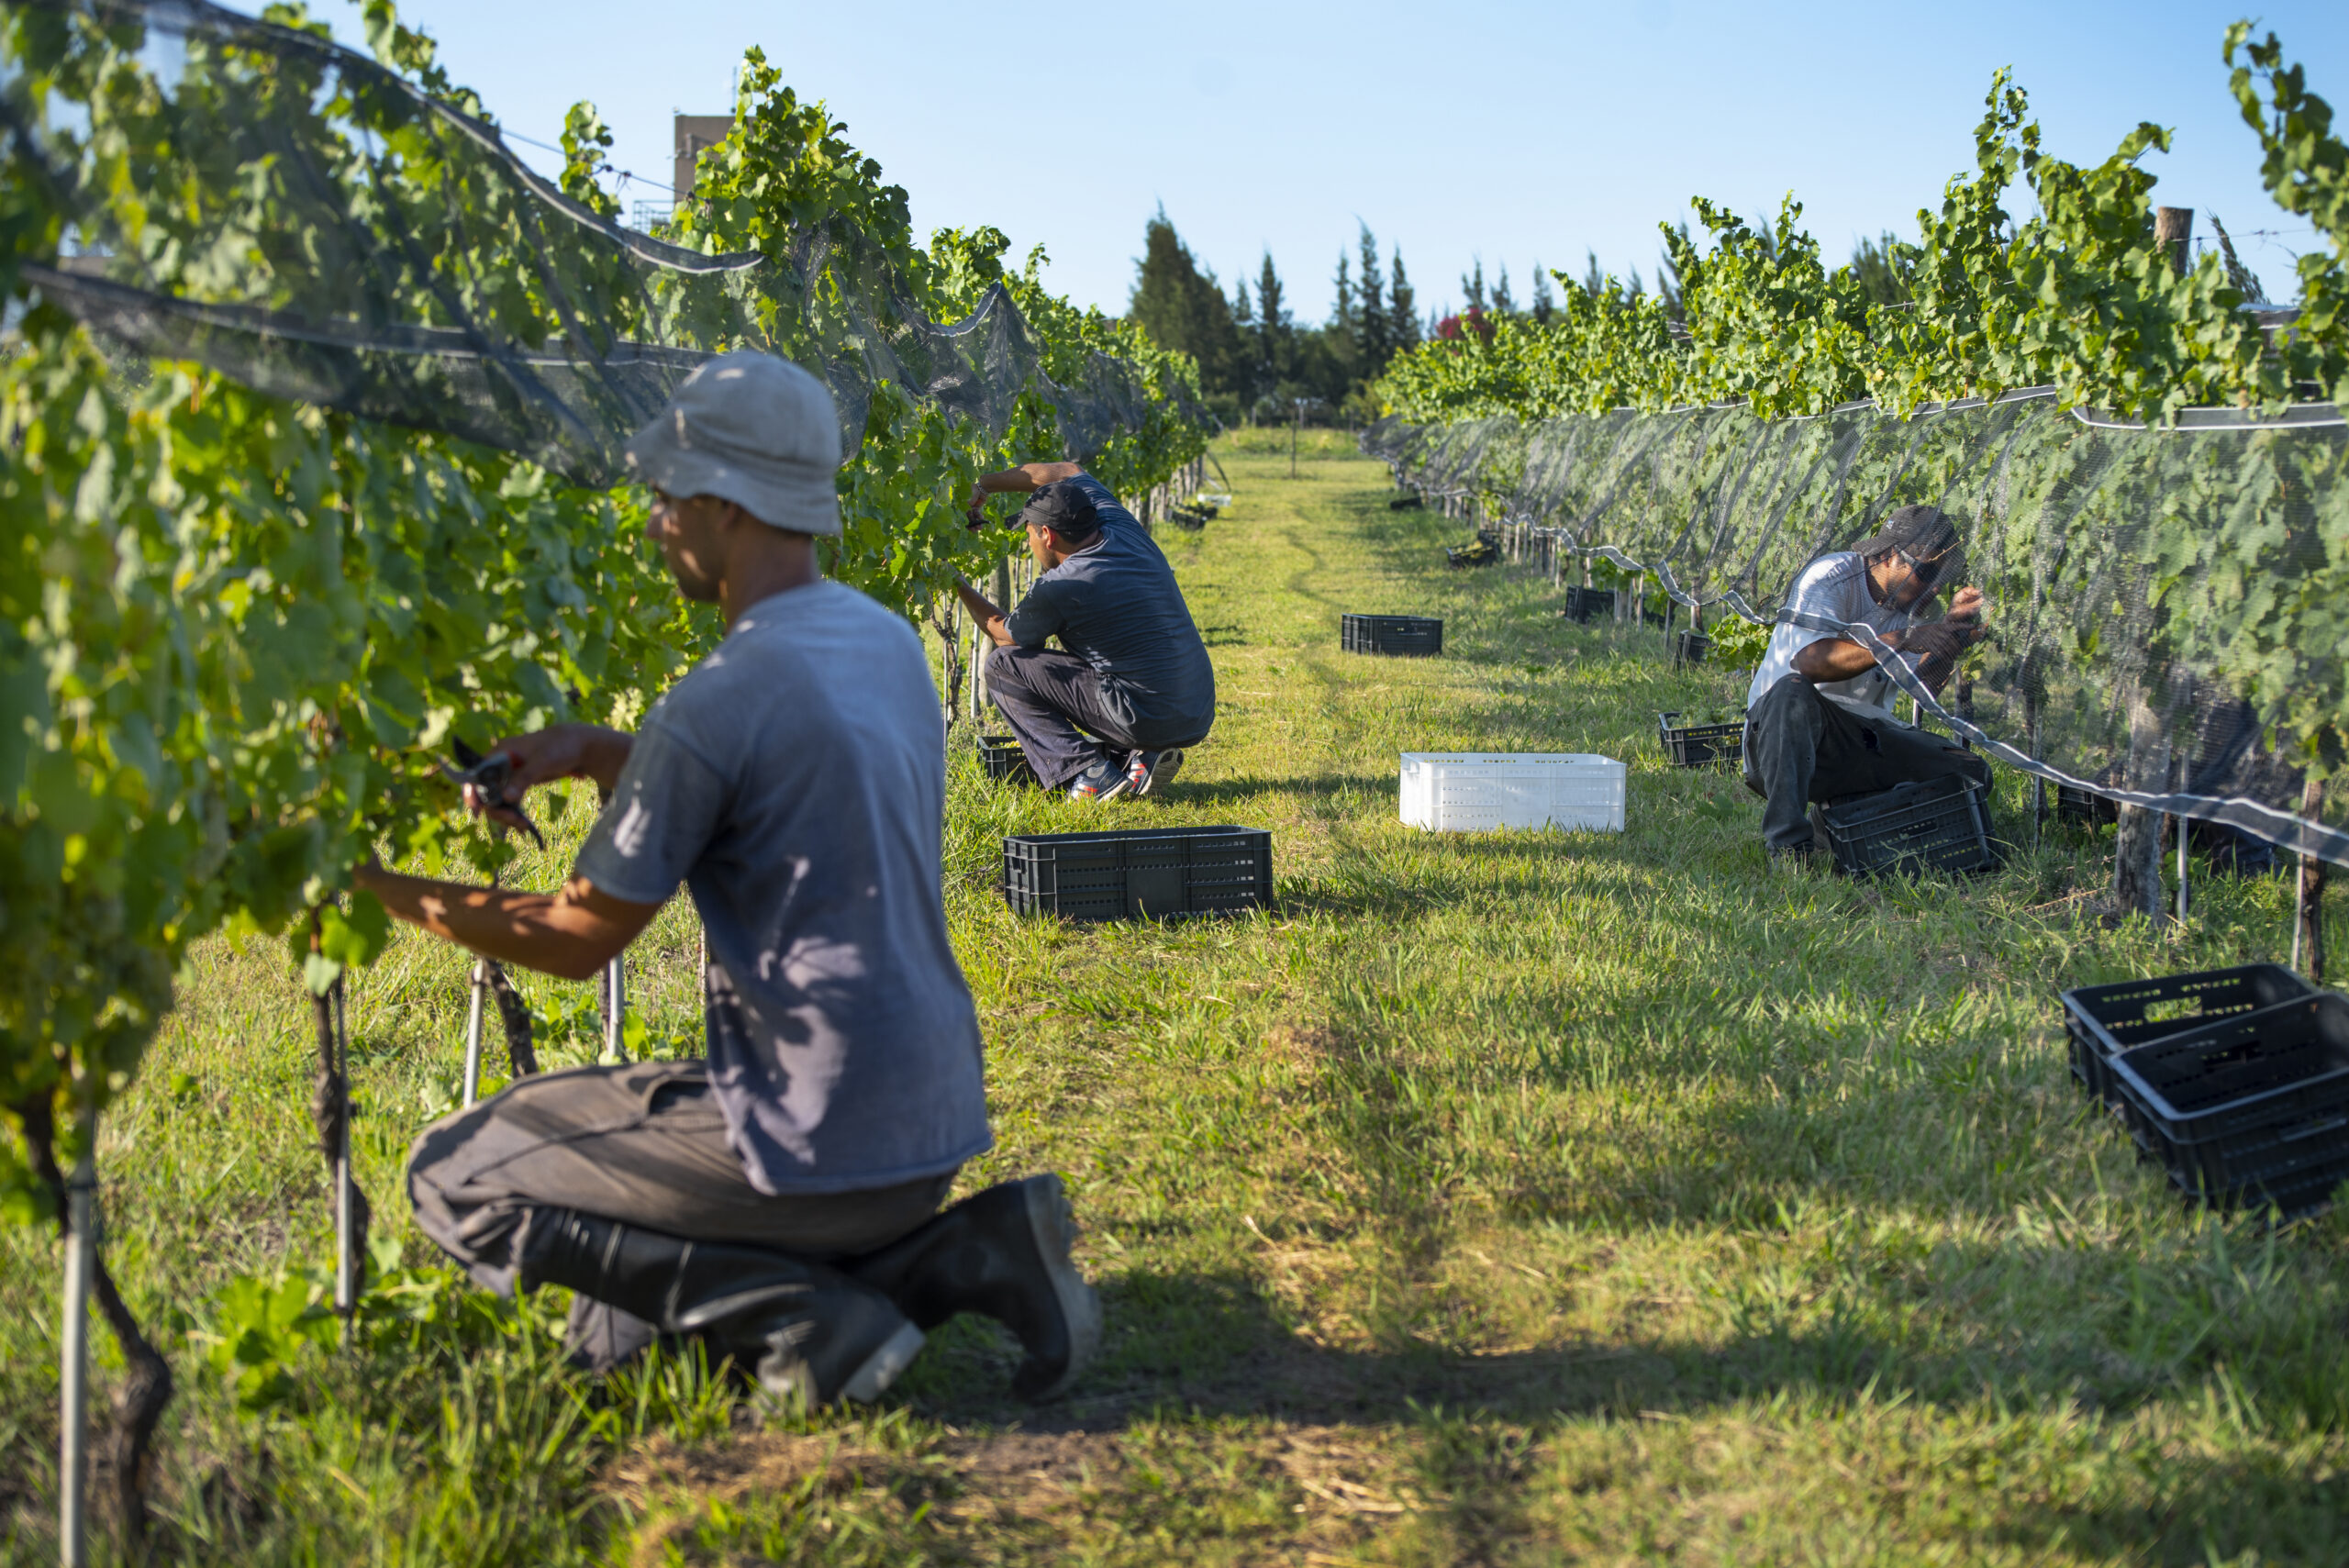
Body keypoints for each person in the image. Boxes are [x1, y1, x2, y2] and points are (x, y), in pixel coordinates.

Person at [355, 351, 1100, 1408]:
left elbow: (576, 940)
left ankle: (800, 1319)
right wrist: (591, 747)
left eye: (667, 497)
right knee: (617, 1274)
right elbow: (775, 785)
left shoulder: (717, 698)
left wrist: (378, 886)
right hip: (930, 1118)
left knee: (452, 1169)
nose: (658, 521)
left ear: (722, 504)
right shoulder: (877, 641)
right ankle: (953, 1255)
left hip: (818, 1135)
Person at [952, 462, 1216, 802]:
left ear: (1047, 535)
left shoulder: (1064, 585)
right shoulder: (1121, 527)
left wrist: (956, 581)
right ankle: (1139, 757)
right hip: (1196, 707)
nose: (1029, 540)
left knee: (1003, 666)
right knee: (1109, 658)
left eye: (1029, 532)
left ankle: (1086, 772)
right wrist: (982, 488)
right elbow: (1065, 470)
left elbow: (1005, 636)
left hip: (1149, 714)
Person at [1742, 504, 1992, 861]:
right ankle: (1789, 848)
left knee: (1971, 775)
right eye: (1927, 571)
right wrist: (1906, 638)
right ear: (1891, 554)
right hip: (1780, 739)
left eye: (1944, 573)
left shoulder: (1923, 609)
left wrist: (1950, 638)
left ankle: (1838, 823)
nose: (1936, 586)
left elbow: (1926, 686)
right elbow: (1809, 662)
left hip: (1861, 737)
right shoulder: (1832, 576)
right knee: (1792, 692)